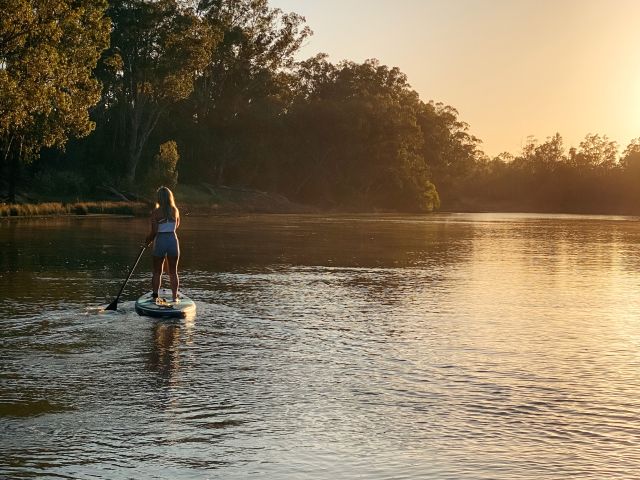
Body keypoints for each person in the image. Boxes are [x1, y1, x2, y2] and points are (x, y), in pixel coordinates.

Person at [145, 186, 180, 304]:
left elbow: (154, 231)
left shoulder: (155, 212)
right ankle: (175, 297)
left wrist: (147, 240)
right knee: (173, 272)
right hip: (172, 239)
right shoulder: (175, 211)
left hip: (160, 240)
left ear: (159, 198)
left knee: (157, 271)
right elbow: (177, 226)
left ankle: (155, 296)